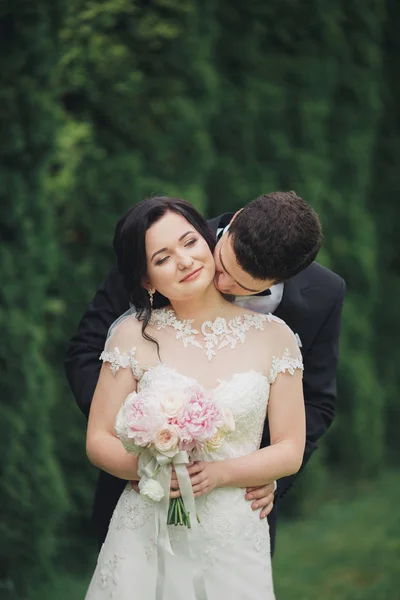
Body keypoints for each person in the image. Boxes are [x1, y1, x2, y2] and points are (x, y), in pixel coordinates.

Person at [65, 191, 345, 555]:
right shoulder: (161, 242)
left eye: (243, 285)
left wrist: (269, 476)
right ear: (235, 222)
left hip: (240, 507)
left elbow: (317, 401)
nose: (222, 284)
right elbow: (87, 353)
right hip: (143, 494)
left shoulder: (319, 298)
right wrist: (150, 438)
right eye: (224, 265)